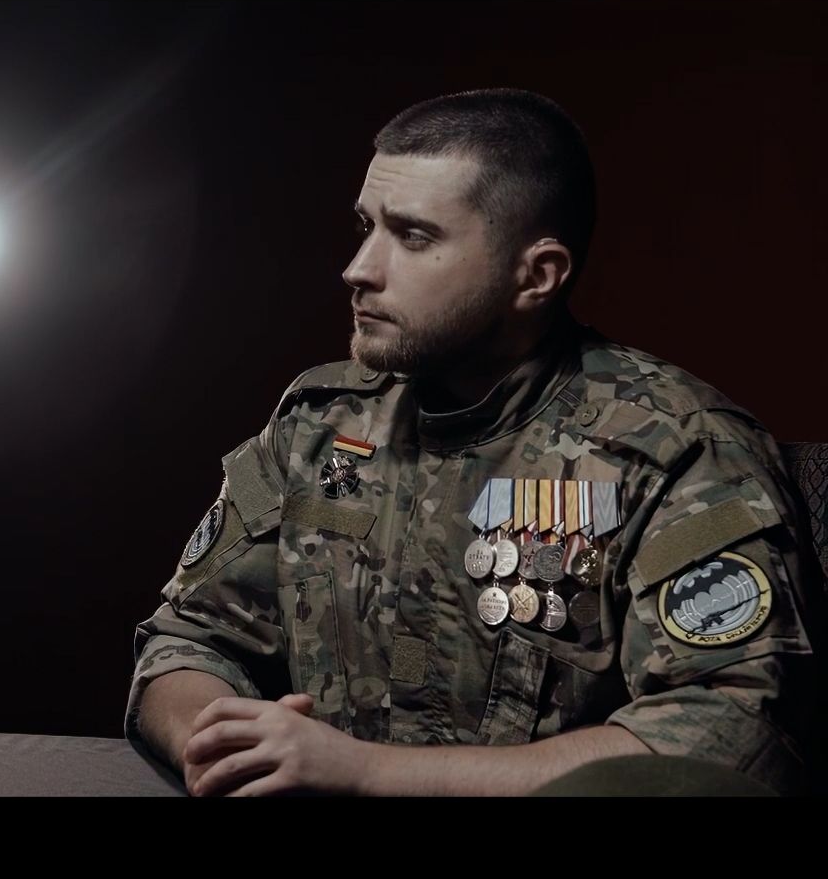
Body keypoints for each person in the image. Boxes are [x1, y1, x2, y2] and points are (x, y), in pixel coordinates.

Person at [126, 89, 819, 796]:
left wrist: (363, 772)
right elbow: (188, 638)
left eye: (413, 237)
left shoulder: (675, 450)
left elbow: (729, 738)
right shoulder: (320, 424)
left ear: (536, 276)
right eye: (366, 226)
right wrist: (222, 747)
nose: (359, 268)